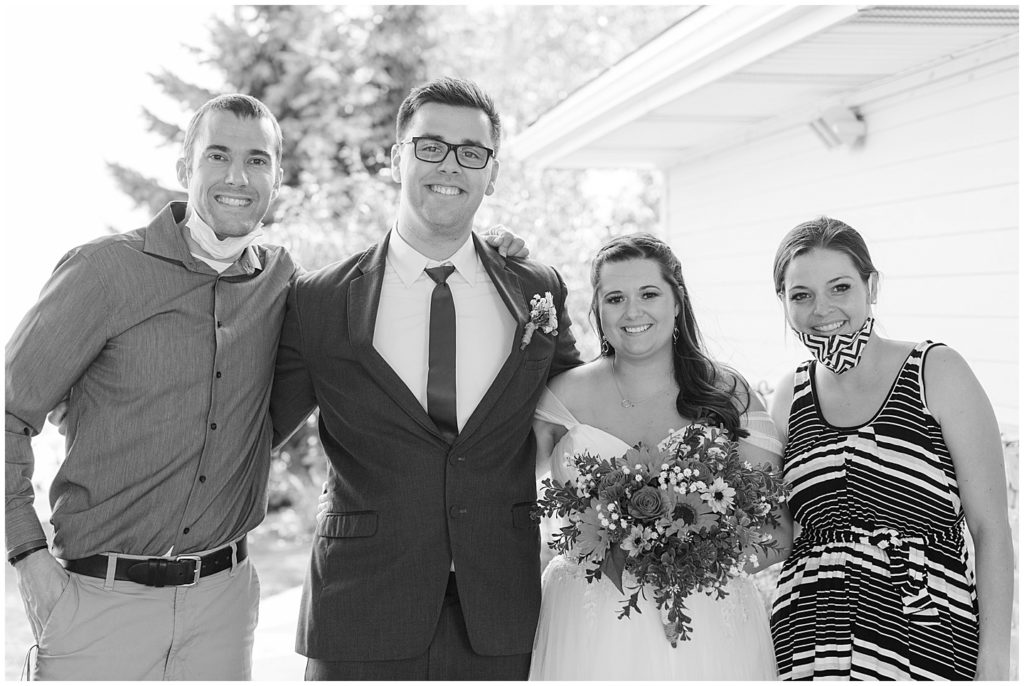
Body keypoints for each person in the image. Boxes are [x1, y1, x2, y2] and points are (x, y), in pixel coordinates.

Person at [4, 92, 525, 681]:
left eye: (258, 161)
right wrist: (27, 555)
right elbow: (10, 413)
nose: (237, 177)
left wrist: (494, 254)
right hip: (98, 598)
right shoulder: (103, 271)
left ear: (276, 177)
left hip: (222, 606)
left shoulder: (286, 286)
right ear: (185, 165)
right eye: (218, 155)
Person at [269, 76, 582, 681]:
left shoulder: (536, 289)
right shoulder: (318, 301)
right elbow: (252, 433)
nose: (451, 165)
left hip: (500, 615)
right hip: (360, 611)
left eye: (473, 152)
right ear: (397, 159)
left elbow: (581, 411)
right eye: (430, 145)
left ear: (491, 173)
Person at [529, 233, 788, 680]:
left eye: (649, 293)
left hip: (707, 626)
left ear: (677, 301)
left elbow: (778, 530)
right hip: (588, 625)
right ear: (598, 310)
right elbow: (499, 491)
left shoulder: (728, 395)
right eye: (615, 298)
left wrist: (688, 567)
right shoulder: (560, 398)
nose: (632, 312)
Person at [768, 216, 1013, 680]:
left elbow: (991, 529)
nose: (822, 309)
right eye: (802, 295)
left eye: (839, 287)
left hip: (927, 636)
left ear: (871, 286)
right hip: (807, 639)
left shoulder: (937, 371)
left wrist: (996, 662)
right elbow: (776, 535)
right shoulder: (788, 396)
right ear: (783, 302)